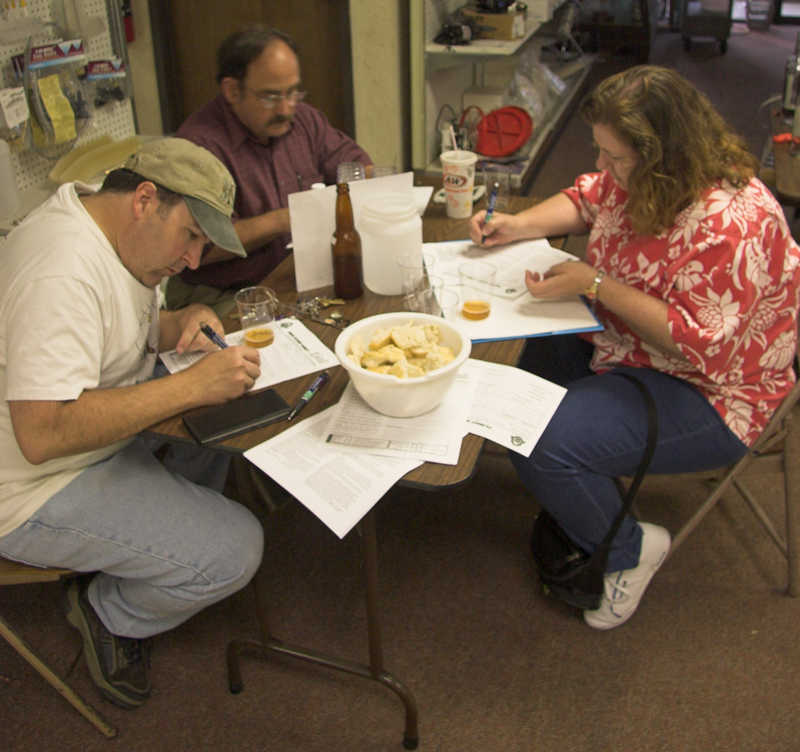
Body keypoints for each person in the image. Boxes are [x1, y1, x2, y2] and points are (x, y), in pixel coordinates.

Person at [470, 65, 800, 630]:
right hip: (629, 346)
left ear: (663, 154)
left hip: (713, 392)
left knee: (538, 440)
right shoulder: (644, 177)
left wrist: (594, 284)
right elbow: (589, 198)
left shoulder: (729, 226)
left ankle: (629, 549)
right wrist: (518, 224)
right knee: (502, 366)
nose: (602, 166)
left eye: (615, 156)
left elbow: (698, 346)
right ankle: (588, 480)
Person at [0, 137, 265, 708]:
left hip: (90, 442)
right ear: (145, 199)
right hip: (31, 485)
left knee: (214, 425)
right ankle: (106, 612)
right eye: (190, 236)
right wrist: (189, 385)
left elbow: (125, 334)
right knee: (237, 549)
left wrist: (182, 321)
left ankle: (131, 550)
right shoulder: (61, 271)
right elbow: (42, 432)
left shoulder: (114, 230)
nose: (194, 260)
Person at [169, 25, 372, 314]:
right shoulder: (198, 147)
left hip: (292, 276)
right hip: (222, 293)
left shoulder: (303, 119)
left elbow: (354, 163)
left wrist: (371, 184)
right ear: (232, 90)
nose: (287, 108)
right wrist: (285, 219)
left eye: (293, 92)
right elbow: (199, 247)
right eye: (271, 97)